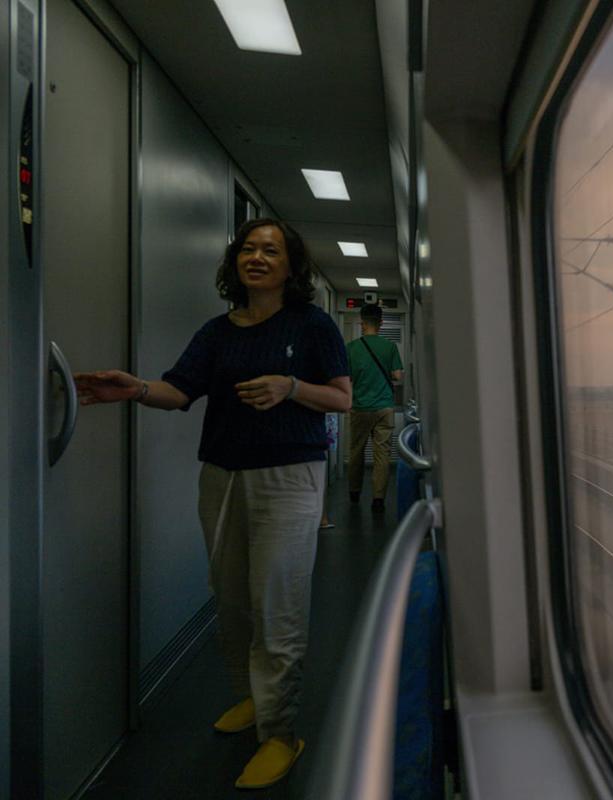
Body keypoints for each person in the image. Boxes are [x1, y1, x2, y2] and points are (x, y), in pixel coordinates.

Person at [74, 218, 350, 790]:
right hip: (221, 476)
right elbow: (181, 390)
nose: (257, 257)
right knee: (231, 601)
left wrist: (291, 387)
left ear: (290, 266)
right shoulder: (217, 331)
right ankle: (252, 697)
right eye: (248, 248)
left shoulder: (313, 324)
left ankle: (279, 732)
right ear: (235, 262)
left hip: (288, 477)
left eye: (270, 250)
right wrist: (137, 389)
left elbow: (342, 399)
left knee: (276, 606)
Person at [345, 303, 404, 513]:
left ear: (362, 323)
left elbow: (347, 379)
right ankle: (378, 499)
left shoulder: (351, 348)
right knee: (382, 455)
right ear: (381, 323)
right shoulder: (389, 347)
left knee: (356, 452)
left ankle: (354, 493)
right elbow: (398, 376)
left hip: (360, 407)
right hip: (384, 408)